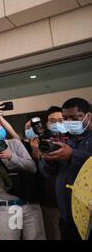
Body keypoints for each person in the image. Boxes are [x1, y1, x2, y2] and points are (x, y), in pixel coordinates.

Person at [0, 118, 46, 240]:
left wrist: (11, 156)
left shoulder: (14, 143)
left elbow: (32, 168)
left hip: (30, 204)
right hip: (7, 207)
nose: (1, 127)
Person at [38, 97, 92, 240]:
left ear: (88, 116)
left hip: (88, 214)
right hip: (67, 215)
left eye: (74, 118)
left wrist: (72, 154)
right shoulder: (61, 140)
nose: (69, 122)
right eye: (65, 118)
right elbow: (46, 172)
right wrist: (47, 159)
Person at [23, 106, 63, 240]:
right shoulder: (37, 144)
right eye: (52, 120)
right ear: (46, 124)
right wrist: (37, 151)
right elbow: (41, 172)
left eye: (61, 120)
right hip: (48, 201)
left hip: (70, 201)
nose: (57, 124)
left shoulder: (73, 142)